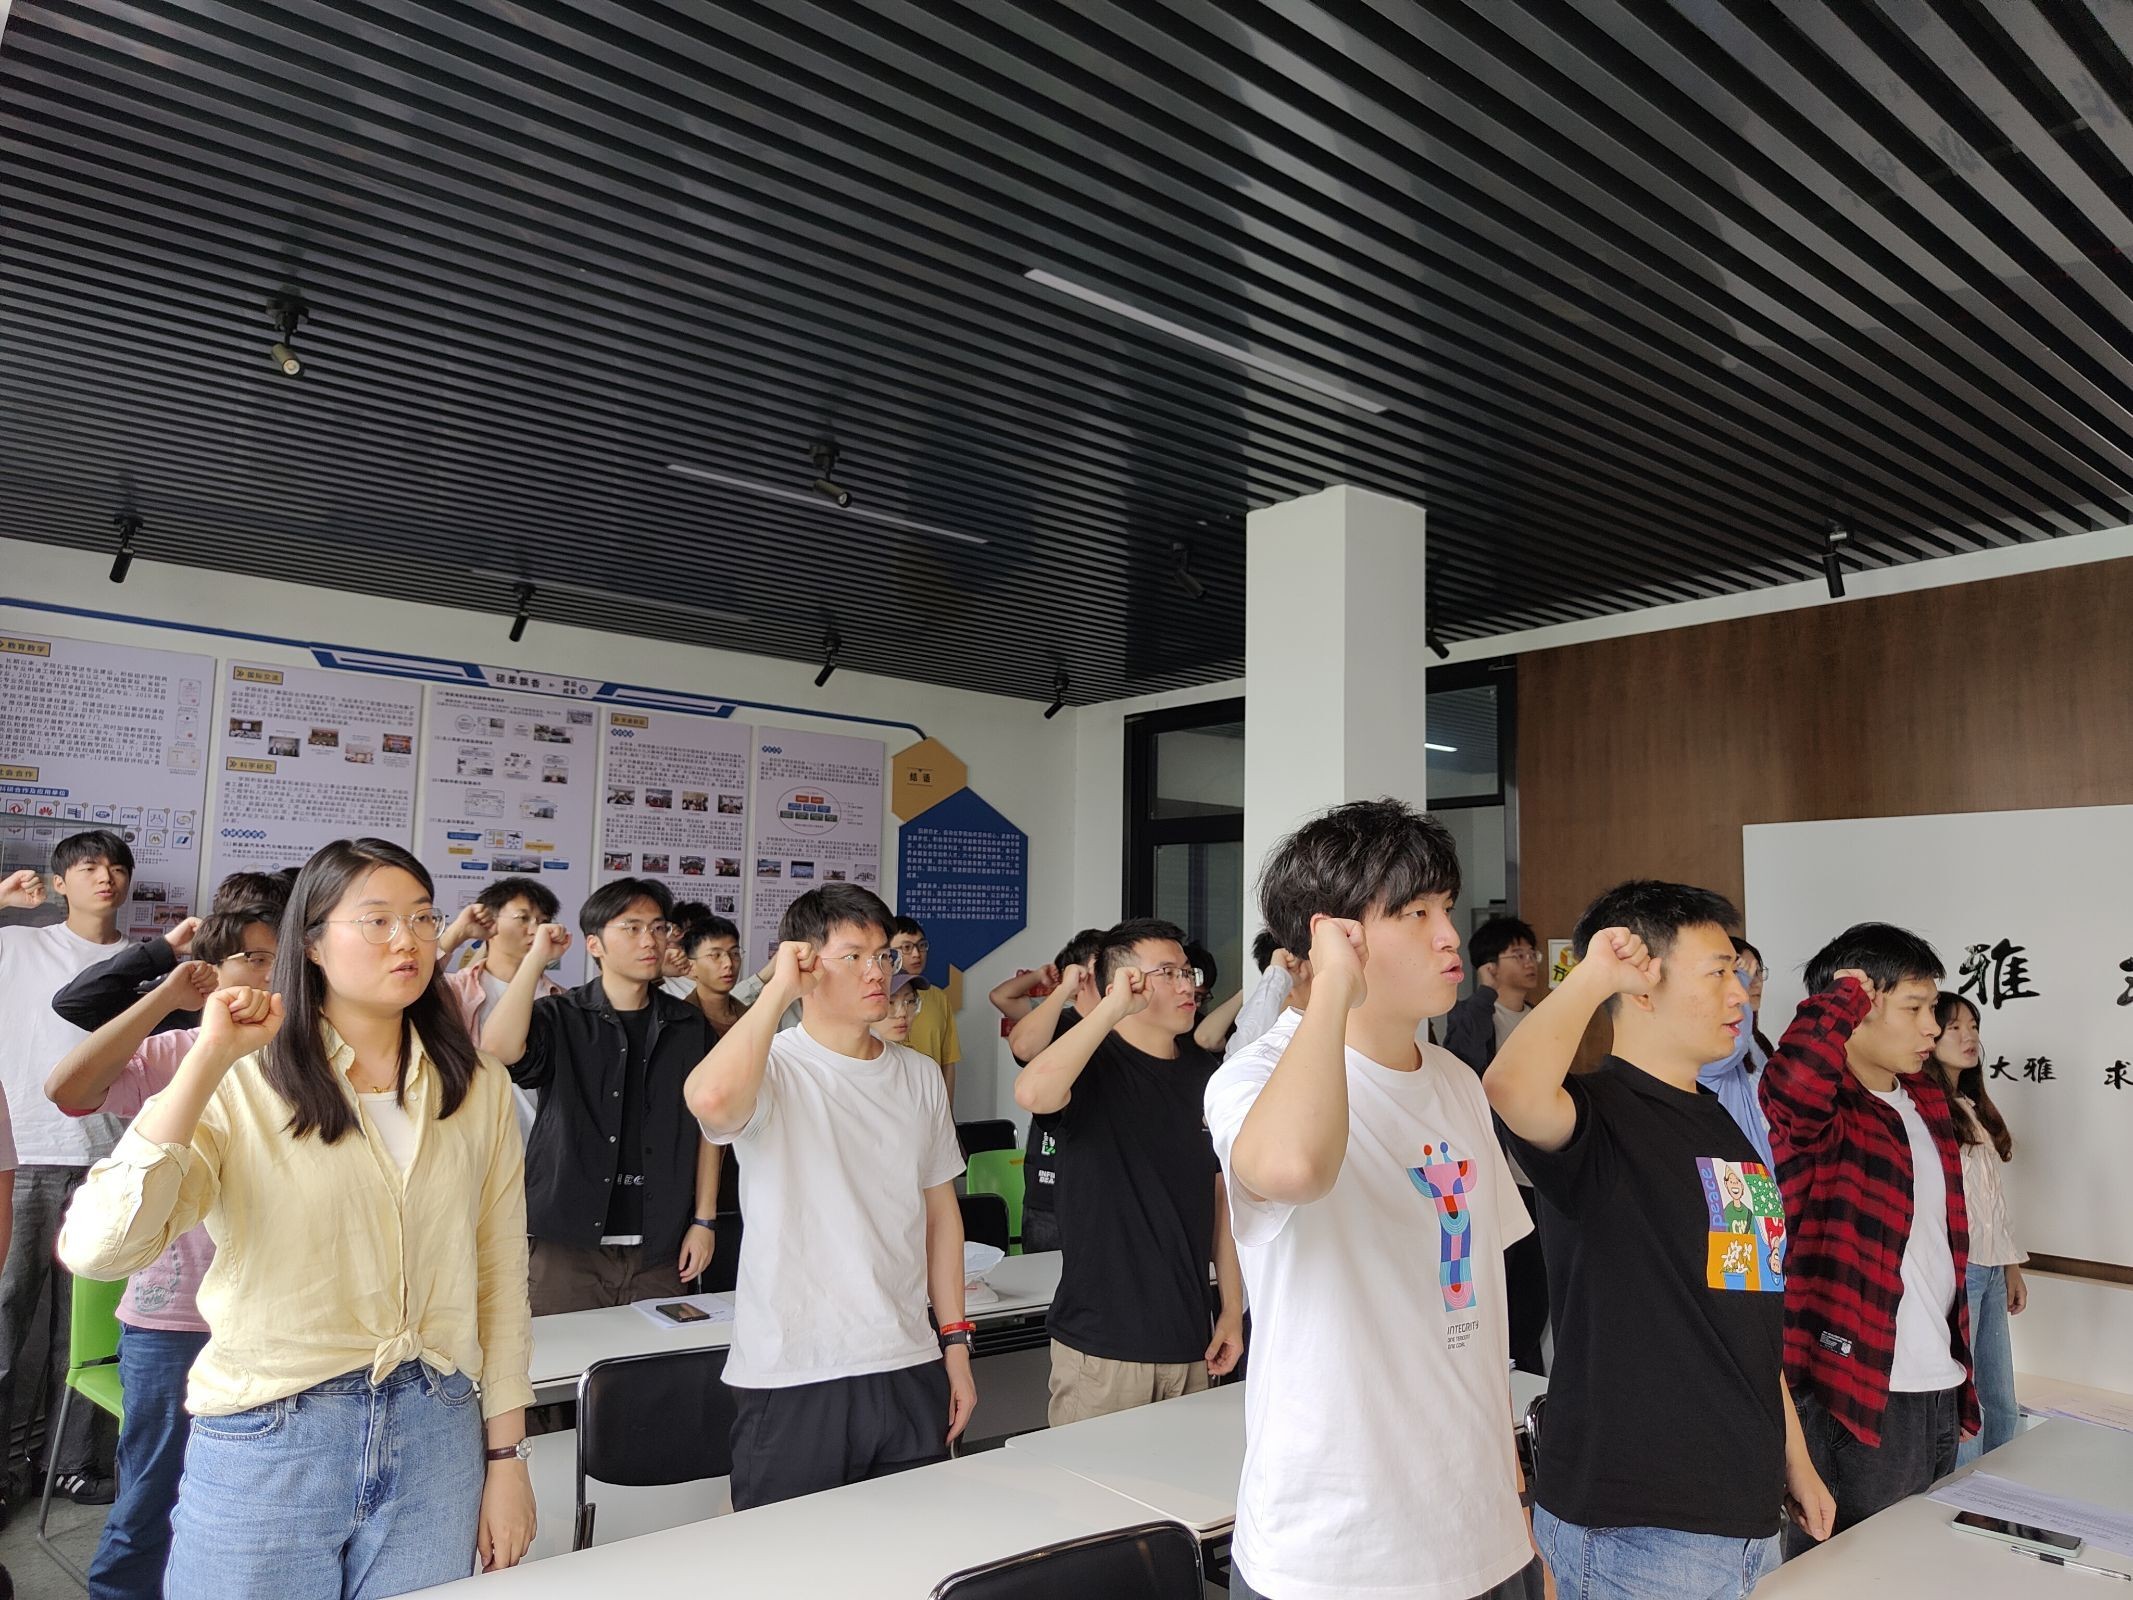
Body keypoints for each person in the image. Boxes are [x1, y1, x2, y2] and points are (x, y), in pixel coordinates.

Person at [57, 837, 536, 1595]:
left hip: (436, 1428)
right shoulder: (242, 1073)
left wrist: (507, 1457)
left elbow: (500, 1274)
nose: (408, 940)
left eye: (421, 917)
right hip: (276, 1431)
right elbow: (100, 1248)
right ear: (310, 944)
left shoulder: (475, 1086)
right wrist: (207, 1058)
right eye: (376, 920)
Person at [1205, 798, 1543, 1600]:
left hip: (1480, 1534)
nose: (1449, 935)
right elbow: (1292, 1167)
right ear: (1334, 936)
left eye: (1446, 908)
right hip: (1338, 1553)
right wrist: (1330, 986)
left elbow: (1476, 1319)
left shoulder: (1454, 1082)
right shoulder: (1254, 1079)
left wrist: (1516, 1509)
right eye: (1416, 913)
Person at [1483, 882, 1833, 1598]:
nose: (1739, 994)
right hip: (1636, 1527)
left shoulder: (1720, 1123)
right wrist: (1592, 975)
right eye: (1718, 973)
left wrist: (1793, 1458)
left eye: (1740, 973)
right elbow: (1509, 1088)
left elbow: (1746, 1309)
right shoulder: (1595, 1116)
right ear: (1640, 987)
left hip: (1742, 1511)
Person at [685, 885, 974, 1510]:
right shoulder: (773, 1067)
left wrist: (954, 1342)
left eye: (883, 954)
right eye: (854, 956)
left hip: (906, 1358)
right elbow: (709, 1102)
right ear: (806, 963)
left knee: (912, 1550)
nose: (878, 972)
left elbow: (941, 1216)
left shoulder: (918, 1074)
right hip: (796, 1371)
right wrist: (776, 991)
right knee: (790, 1557)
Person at [44, 904, 280, 1600]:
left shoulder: (318, 1062)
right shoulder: (181, 1051)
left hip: (273, 1317)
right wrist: (167, 997)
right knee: (152, 1502)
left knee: (256, 1509)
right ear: (213, 970)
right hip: (177, 1320)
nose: (271, 976)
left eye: (284, 959)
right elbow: (68, 1089)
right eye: (254, 959)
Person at [1758, 924, 1976, 1553]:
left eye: (1932, 1007)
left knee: (1917, 1564)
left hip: (1934, 1378)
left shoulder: (1925, 1098)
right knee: (1845, 1571)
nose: (1931, 1027)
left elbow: (1937, 1247)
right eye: (1913, 1008)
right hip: (1855, 1388)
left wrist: (1958, 1384)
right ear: (1856, 1008)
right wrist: (1844, 995)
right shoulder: (1823, 1111)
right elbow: (1793, 1085)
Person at [1016, 918, 1244, 1425]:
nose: (1187, 986)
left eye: (1188, 972)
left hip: (1190, 1338)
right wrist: (1111, 1008)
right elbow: (1032, 1092)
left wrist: (1231, 1308)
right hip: (1103, 1346)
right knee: (1089, 1478)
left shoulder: (1204, 1074)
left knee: (1183, 1477)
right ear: (1127, 983)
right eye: (1168, 973)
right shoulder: (1089, 1062)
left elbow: (1220, 1198)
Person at [481, 878, 720, 1315]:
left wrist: (704, 1220)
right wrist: (536, 959)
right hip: (566, 1244)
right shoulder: (560, 1016)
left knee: (657, 1358)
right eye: (632, 928)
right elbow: (497, 1049)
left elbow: (706, 1130)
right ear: (595, 945)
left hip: (659, 1245)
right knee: (560, 1353)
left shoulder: (689, 1026)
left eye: (658, 927)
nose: (649, 940)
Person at [0, 829, 136, 1509]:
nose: (104, 877)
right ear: (58, 883)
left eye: (115, 867)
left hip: (107, 1164)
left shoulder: (146, 964)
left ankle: (74, 1462)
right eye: (87, 867)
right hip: (23, 1156)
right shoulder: (18, 944)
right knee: (5, 1318)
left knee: (87, 1331)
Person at [1441, 914, 1550, 1375]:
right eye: (1517, 954)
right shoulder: (1473, 1014)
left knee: (1538, 1289)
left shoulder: (1541, 1016)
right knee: (1504, 1282)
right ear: (1490, 966)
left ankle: (1528, 1375)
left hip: (1540, 1169)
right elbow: (1464, 1066)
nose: (1529, 962)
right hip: (1500, 1170)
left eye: (1531, 953)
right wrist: (1484, 994)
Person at [1931, 991, 2026, 1464]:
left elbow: (1992, 1200)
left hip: (1989, 1265)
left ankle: (2002, 1487)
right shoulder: (1925, 1108)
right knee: (1967, 1398)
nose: (1968, 1037)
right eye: (1955, 1027)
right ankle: (1963, 1492)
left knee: (2001, 1396)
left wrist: (2011, 1266)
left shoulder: (1971, 1105)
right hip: (1959, 1267)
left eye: (1973, 1026)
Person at [51, 868, 292, 1039]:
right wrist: (167, 947)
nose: (272, 974)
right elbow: (74, 1004)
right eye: (257, 958)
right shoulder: (182, 1001)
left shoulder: (298, 1008)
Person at [1000, 928, 1107, 1255]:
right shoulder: (1057, 1022)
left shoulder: (1126, 1027)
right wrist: (1062, 990)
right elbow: (1023, 1047)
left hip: (1105, 1189)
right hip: (1052, 1188)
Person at [441, 875, 562, 1144]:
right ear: (489, 922)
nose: (536, 930)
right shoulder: (455, 990)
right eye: (523, 918)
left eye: (543, 921)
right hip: (470, 1142)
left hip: (539, 1146)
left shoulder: (559, 1000)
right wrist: (456, 934)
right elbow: (412, 984)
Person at [1698, 938, 1778, 1169]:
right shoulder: (1715, 1048)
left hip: (1766, 1163)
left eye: (1758, 972)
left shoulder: (1760, 1043)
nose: (1754, 982)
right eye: (1740, 972)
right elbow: (1736, 1045)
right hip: (1736, 1167)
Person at [889, 916, 960, 1104]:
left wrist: (947, 1111)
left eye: (921, 946)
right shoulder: (872, 996)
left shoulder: (939, 998)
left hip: (929, 1103)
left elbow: (948, 1061)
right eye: (906, 947)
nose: (916, 954)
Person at [680, 912, 748, 1036]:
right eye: (715, 955)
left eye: (734, 953)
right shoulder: (679, 1022)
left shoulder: (750, 1017)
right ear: (691, 966)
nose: (728, 963)